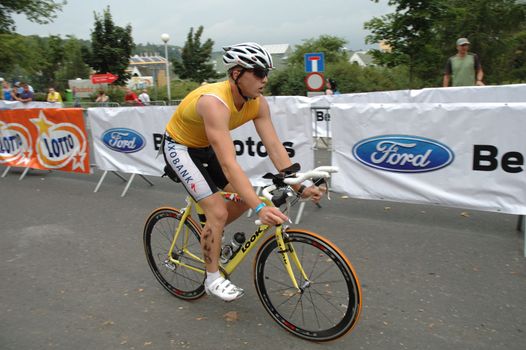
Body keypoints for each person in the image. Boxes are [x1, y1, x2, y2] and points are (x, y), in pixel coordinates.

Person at [162, 42, 324, 302]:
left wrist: (299, 185)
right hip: (180, 148)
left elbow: (273, 145)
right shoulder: (213, 103)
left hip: (205, 147)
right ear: (237, 73)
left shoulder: (257, 103)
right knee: (218, 210)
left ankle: (211, 236)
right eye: (259, 72)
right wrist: (260, 210)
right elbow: (229, 164)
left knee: (243, 200)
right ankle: (213, 278)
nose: (265, 79)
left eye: (266, 72)